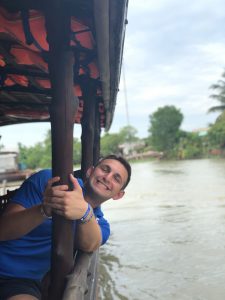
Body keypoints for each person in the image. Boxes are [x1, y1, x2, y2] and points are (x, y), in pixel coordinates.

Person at [0, 155, 131, 300]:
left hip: (20, 281)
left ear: (119, 195)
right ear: (90, 171)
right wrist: (44, 209)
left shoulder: (100, 224)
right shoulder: (50, 181)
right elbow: (3, 231)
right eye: (105, 169)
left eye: (116, 178)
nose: (107, 177)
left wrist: (84, 211)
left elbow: (90, 244)